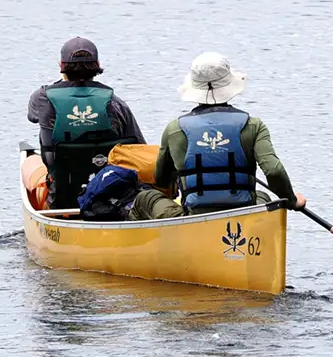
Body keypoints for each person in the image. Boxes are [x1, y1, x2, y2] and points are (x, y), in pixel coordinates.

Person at [129, 52, 305, 220]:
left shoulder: (174, 129)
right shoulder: (253, 125)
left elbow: (162, 178)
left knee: (144, 198)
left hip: (193, 217)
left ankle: (139, 246)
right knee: (263, 197)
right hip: (243, 214)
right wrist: (290, 199)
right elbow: (273, 171)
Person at [28, 37, 146, 209]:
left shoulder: (42, 98)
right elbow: (139, 147)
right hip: (110, 196)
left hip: (61, 198)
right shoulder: (116, 103)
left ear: (61, 65)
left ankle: (41, 213)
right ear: (97, 65)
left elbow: (32, 117)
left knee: (30, 161)